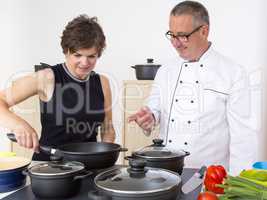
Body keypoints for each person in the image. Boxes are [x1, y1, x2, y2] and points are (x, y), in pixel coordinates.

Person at [129, 1, 258, 174]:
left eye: (182, 36)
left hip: (210, 178)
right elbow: (155, 108)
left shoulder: (233, 73)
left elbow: (243, 138)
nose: (175, 43)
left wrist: (239, 185)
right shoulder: (165, 70)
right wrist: (149, 118)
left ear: (204, 31)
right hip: (165, 173)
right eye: (172, 35)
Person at [0, 14, 115, 161]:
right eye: (78, 55)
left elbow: (107, 127)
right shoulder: (46, 78)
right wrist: (18, 125)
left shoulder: (102, 82)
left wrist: (103, 153)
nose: (85, 62)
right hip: (49, 167)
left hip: (88, 166)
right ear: (66, 51)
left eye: (91, 56)